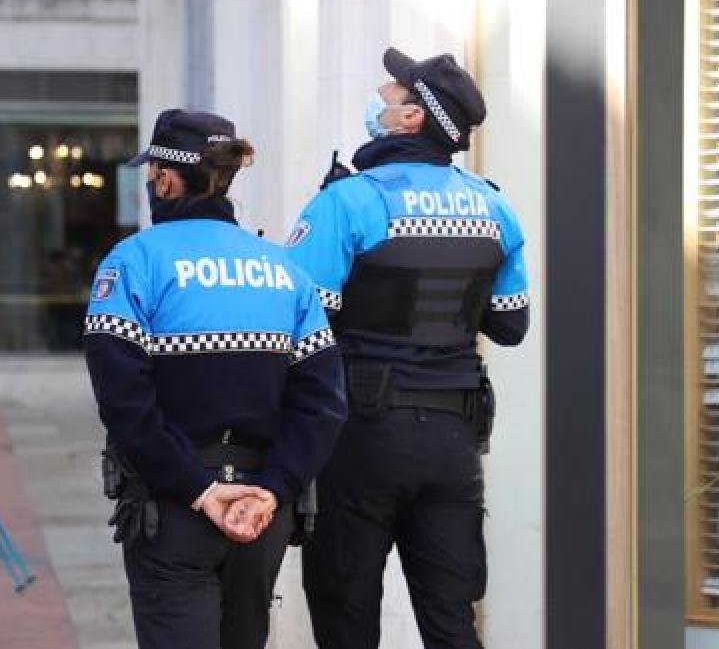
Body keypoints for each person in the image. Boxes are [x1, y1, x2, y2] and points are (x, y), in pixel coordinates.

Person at [287, 48, 530, 648]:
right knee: (451, 624)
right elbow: (509, 325)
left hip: (360, 438)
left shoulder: (348, 203)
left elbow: (297, 325)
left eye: (393, 93)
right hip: (453, 443)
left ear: (412, 119)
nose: (379, 94)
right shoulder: (493, 206)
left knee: (347, 619)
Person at [83, 109, 346, 649]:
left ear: (165, 178)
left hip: (173, 506)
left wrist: (201, 491)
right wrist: (273, 490)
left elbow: (124, 402)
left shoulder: (133, 262)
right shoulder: (284, 270)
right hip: (261, 512)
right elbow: (323, 404)